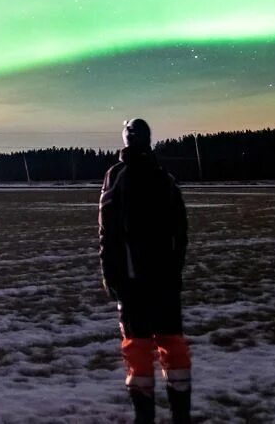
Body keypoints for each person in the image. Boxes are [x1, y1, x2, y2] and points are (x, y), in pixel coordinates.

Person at [98, 118, 192, 423]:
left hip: (132, 281)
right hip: (164, 281)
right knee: (172, 342)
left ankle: (145, 417)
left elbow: (107, 232)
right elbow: (181, 230)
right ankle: (181, 414)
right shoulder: (165, 178)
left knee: (137, 348)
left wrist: (110, 275)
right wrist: (174, 269)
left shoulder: (116, 176)